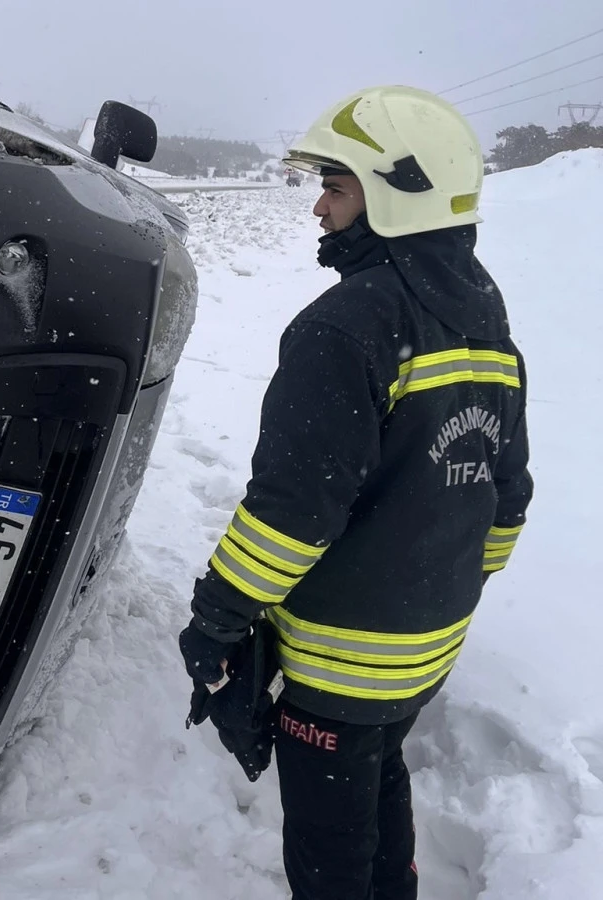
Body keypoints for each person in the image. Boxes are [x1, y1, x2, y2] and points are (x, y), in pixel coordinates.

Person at [177, 85, 534, 900]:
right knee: (380, 779)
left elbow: (291, 517)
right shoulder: (483, 317)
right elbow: (507, 500)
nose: (318, 210)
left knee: (327, 851)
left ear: (399, 197)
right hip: (427, 651)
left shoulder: (345, 328)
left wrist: (216, 619)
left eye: (335, 189)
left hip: (338, 670)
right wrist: (439, 588)